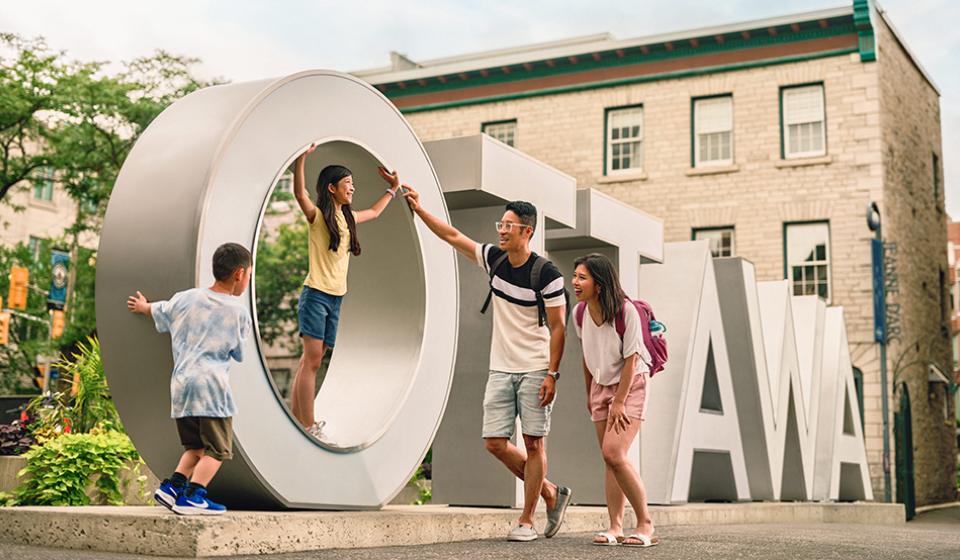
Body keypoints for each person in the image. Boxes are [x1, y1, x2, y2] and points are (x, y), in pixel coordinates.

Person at [402, 185, 572, 542]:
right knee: (494, 442)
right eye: (501, 223)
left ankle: (527, 520)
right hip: (501, 366)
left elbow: (559, 328)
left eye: (509, 225)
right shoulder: (494, 259)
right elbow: (452, 235)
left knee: (534, 442)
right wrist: (419, 208)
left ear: (527, 231)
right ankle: (550, 493)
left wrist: (552, 374)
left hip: (536, 368)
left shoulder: (548, 275)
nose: (501, 230)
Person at [126, 242, 253, 515]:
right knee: (218, 449)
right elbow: (239, 352)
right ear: (240, 274)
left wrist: (143, 306)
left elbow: (159, 310)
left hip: (182, 386)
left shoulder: (186, 298)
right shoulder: (237, 311)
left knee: (195, 447)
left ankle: (171, 487)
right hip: (211, 388)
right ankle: (195, 496)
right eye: (249, 275)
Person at [289, 144, 401, 437]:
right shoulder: (318, 218)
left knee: (312, 359)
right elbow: (300, 194)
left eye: (353, 184)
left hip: (336, 296)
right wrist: (301, 160)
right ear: (331, 188)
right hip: (316, 294)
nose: (352, 189)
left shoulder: (347, 219)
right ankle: (309, 425)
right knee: (312, 360)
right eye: (347, 184)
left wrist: (393, 189)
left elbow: (375, 213)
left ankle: (296, 418)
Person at [571, 253, 658, 547]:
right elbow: (587, 356)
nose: (575, 282)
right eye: (575, 276)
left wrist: (619, 401)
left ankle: (645, 524)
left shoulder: (626, 311)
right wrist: (589, 394)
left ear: (599, 283)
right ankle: (615, 526)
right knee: (610, 460)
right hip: (600, 385)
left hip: (630, 385)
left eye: (582, 277)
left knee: (614, 453)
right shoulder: (579, 313)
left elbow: (632, 359)